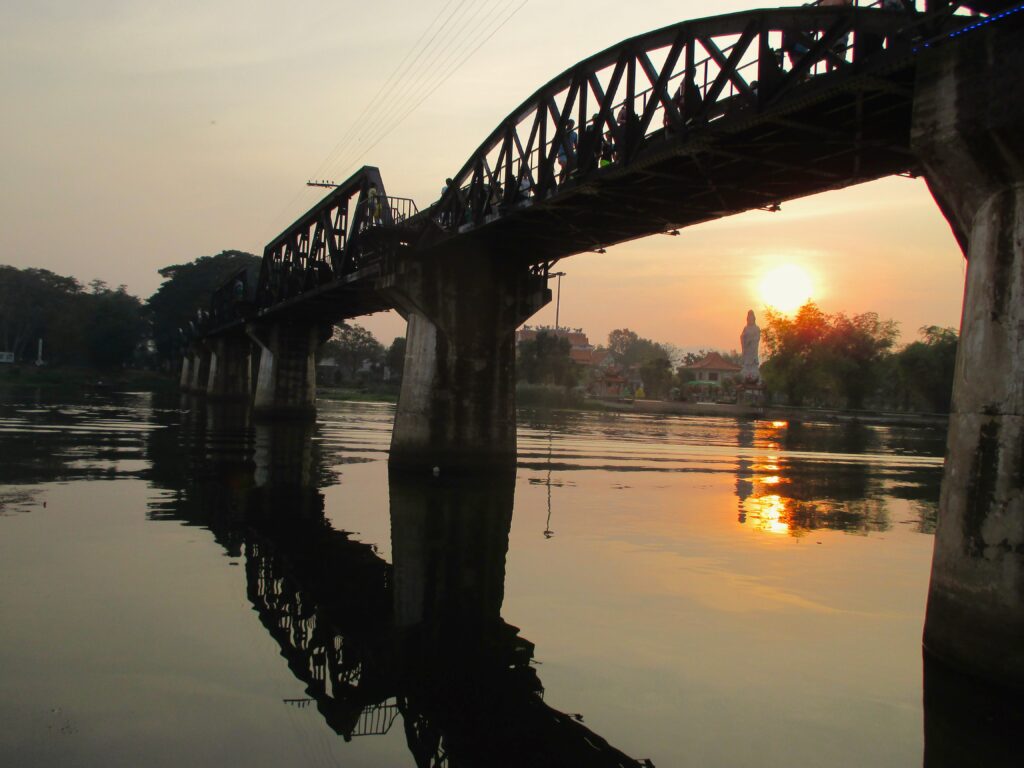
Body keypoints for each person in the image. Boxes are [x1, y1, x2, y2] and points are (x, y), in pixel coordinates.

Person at [556, 118, 578, 184]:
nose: (571, 126)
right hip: (562, 153)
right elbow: (555, 142)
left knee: (569, 167)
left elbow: (576, 145)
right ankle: (564, 180)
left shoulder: (574, 134)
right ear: (567, 124)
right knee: (565, 167)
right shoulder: (561, 132)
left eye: (572, 124)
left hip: (570, 153)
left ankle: (564, 179)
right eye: (570, 124)